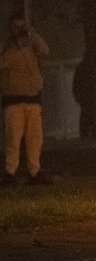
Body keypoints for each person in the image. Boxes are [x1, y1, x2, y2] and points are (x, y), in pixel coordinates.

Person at [1, 13, 52, 186]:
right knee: (13, 140)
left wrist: (33, 35)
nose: (19, 31)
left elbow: (45, 50)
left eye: (22, 27)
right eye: (16, 27)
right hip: (13, 100)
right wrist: (14, 47)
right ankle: (10, 173)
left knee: (35, 139)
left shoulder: (32, 44)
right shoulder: (7, 46)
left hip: (33, 98)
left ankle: (35, 172)